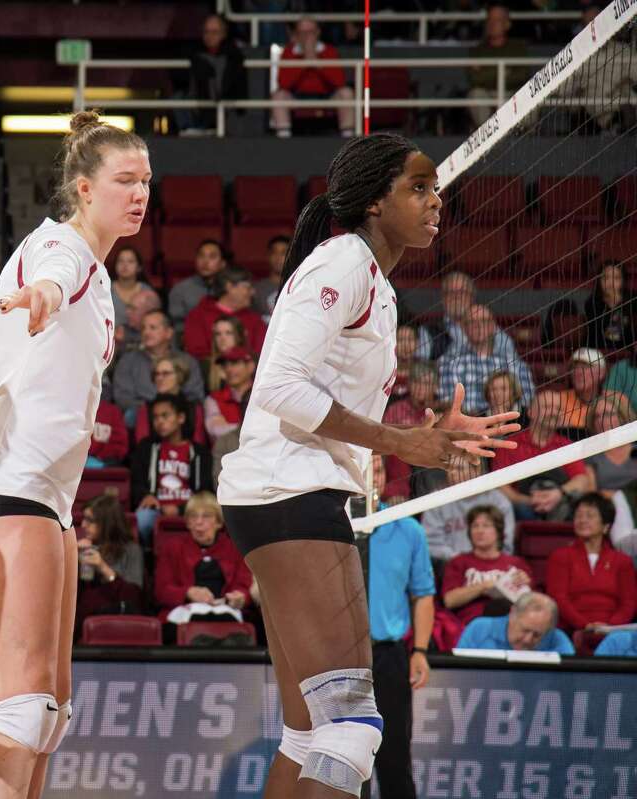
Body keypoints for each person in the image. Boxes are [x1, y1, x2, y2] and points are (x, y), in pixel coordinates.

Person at [216, 134, 518, 799]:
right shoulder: (343, 262)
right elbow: (279, 390)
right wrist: (402, 442)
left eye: (436, 187)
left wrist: (427, 432)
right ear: (375, 203)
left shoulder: (372, 281)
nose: (436, 200)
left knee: (309, 732)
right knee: (352, 727)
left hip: (282, 491)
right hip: (290, 490)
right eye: (418, 187)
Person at [0, 111, 147, 797]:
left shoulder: (102, 276)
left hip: (45, 491)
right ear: (84, 189)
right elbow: (53, 279)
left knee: (50, 710)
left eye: (146, 179)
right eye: (124, 179)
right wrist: (47, 291)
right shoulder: (62, 248)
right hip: (9, 478)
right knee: (23, 702)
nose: (140, 192)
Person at [363, 454, 434, 799]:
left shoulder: (408, 529)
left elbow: (423, 595)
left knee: (394, 756)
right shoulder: (328, 527)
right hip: (336, 657)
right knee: (340, 759)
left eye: (376, 467)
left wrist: (419, 650)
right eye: (364, 467)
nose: (370, 475)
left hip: (387, 656)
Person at [493, 388, 591, 521]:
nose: (553, 413)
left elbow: (582, 480)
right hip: (521, 509)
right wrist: (526, 500)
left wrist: (558, 494)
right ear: (531, 412)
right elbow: (499, 485)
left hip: (559, 506)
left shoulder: (566, 445)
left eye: (557, 409)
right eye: (547, 407)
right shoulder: (510, 445)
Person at [153, 491, 251, 624]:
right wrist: (188, 593)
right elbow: (161, 591)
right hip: (185, 614)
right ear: (187, 523)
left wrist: (240, 597)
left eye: (206, 516)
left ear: (219, 523)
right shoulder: (172, 547)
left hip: (225, 612)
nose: (198, 522)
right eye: (193, 517)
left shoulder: (234, 548)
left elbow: (244, 587)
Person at [546, 492, 637, 634]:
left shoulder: (622, 561)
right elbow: (559, 598)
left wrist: (609, 628)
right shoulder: (560, 556)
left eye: (590, 516)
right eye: (578, 515)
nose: (582, 520)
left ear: (606, 525)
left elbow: (629, 603)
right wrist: (585, 625)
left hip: (613, 632)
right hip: (571, 630)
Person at [133, 393, 214, 542]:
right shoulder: (146, 448)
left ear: (181, 418)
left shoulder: (199, 452)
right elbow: (136, 483)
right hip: (156, 510)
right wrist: (146, 496)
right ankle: (149, 559)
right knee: (142, 518)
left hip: (192, 510)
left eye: (165, 416)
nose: (160, 421)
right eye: (156, 417)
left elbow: (205, 490)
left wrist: (180, 509)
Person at [442, 505, 533, 625]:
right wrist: (483, 587)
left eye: (486, 525)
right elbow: (449, 601)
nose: (480, 531)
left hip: (512, 622)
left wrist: (525, 584)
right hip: (471, 623)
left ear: (498, 531)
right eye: (475, 526)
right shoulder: (458, 562)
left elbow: (532, 603)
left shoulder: (516, 563)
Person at [438, 304, 534, 416]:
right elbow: (448, 405)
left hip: (509, 426)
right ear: (464, 328)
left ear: (493, 326)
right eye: (472, 322)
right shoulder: (450, 364)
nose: (478, 326)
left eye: (484, 321)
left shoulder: (515, 364)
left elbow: (527, 402)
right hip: (466, 429)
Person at [112, 310, 205, 424]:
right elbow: (123, 398)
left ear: (169, 333)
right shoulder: (128, 361)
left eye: (153, 328)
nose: (146, 332)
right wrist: (154, 409)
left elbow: (195, 396)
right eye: (143, 328)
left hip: (179, 417)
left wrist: (170, 410)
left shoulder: (188, 361)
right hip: (142, 415)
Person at [271, 17, 355, 138]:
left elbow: (339, 82)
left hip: (326, 96)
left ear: (318, 32)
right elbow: (283, 84)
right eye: (303, 33)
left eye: (310, 32)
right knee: (278, 96)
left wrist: (317, 63)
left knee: (346, 93)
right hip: (297, 96)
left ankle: (347, 136)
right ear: (296, 34)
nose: (307, 37)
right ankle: (284, 136)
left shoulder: (329, 51)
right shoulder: (289, 52)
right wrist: (305, 62)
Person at [421, 460, 516, 564]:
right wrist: (463, 561)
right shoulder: (437, 500)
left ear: (476, 471)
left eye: (459, 469)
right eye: (449, 469)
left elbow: (506, 544)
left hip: (493, 564)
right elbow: (431, 544)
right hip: (450, 565)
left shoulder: (498, 500)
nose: (452, 473)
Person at [74, 495, 143, 633]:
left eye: (90, 520)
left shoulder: (131, 550)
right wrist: (72, 558)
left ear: (107, 523)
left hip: (121, 624)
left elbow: (134, 598)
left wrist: (103, 567)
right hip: (84, 623)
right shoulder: (83, 548)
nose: (83, 525)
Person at [177, 14, 247, 135]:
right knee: (177, 99)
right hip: (199, 107)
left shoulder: (233, 56)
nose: (209, 36)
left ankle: (209, 127)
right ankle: (193, 128)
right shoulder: (195, 54)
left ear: (224, 34)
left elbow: (232, 89)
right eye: (206, 32)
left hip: (227, 110)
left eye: (214, 32)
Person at [467, 5, 529, 128]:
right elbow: (475, 79)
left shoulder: (518, 48)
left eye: (498, 20)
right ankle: (486, 135)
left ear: (507, 24)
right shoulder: (478, 50)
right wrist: (505, 72)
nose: (492, 24)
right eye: (490, 20)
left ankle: (514, 133)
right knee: (476, 94)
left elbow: (522, 75)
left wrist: (487, 72)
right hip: (487, 93)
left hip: (511, 93)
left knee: (523, 96)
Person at [183, 268, 267, 359]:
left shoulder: (255, 320)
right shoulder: (198, 316)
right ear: (229, 287)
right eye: (248, 287)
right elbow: (196, 353)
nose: (253, 292)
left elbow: (262, 355)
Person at [455, 592, 574, 654]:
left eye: (537, 635)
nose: (527, 640)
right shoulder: (479, 629)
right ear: (512, 614)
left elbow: (571, 684)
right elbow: (458, 676)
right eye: (524, 630)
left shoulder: (557, 639)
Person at [132, 357, 207, 446]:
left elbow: (198, 443)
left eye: (165, 373)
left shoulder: (194, 409)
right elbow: (142, 444)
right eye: (157, 374)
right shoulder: (146, 409)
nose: (159, 378)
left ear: (179, 376)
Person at [109, 246, 161, 352]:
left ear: (139, 267)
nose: (125, 265)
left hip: (142, 345)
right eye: (121, 261)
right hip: (109, 345)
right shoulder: (104, 289)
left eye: (130, 261)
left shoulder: (148, 291)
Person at [585, 393, 637, 495]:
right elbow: (591, 494)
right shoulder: (589, 454)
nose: (601, 420)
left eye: (608, 414)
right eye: (597, 417)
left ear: (622, 417)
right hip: (607, 507)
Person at [168, 239, 225, 328]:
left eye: (212, 257)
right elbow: (177, 325)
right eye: (201, 256)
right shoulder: (180, 290)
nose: (205, 261)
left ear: (222, 263)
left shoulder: (230, 289)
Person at [203, 347, 255, 441]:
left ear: (250, 366)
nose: (229, 369)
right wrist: (253, 430)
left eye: (235, 363)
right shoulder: (213, 399)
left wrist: (230, 427)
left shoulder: (262, 394)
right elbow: (216, 430)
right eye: (225, 365)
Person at [584, 260, 637, 352]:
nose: (610, 283)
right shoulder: (592, 303)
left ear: (623, 280)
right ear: (599, 280)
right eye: (606, 278)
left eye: (616, 278)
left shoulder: (634, 300)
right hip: (599, 353)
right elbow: (608, 336)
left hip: (630, 354)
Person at [556, 348, 607, 436]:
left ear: (601, 373)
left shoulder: (616, 400)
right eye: (574, 367)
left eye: (585, 367)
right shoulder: (557, 401)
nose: (578, 372)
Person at [204, 316, 246, 392]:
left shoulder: (249, 362)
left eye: (228, 333)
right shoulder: (205, 366)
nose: (222, 338)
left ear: (239, 336)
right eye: (218, 334)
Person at [254, 234, 290, 317]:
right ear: (268, 256)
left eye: (283, 253)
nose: (278, 257)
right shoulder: (256, 289)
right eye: (274, 252)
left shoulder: (297, 287)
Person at [87, 398, 128, 468]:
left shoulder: (112, 411)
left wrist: (101, 457)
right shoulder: (69, 412)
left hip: (104, 464)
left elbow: (120, 446)